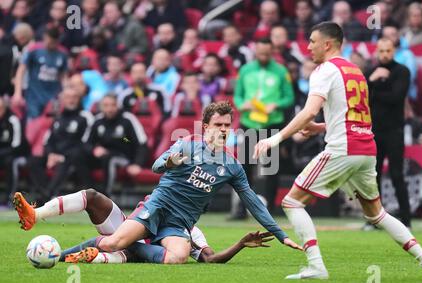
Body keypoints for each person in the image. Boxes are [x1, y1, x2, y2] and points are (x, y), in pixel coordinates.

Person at [253, 22, 422, 280]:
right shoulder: (355, 71)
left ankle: (316, 266)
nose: (308, 46)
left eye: (312, 41)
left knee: (292, 202)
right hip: (366, 149)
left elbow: (309, 110)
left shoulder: (324, 71)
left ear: (327, 44)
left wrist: (275, 139)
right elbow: (352, 116)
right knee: (377, 214)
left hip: (343, 148)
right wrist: (322, 127)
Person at [15, 101, 302, 265]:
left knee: (176, 259)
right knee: (114, 241)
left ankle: (128, 249)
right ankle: (61, 256)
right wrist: (170, 162)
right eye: (219, 125)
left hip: (178, 223)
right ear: (206, 127)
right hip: (157, 207)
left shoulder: (232, 165)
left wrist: (280, 234)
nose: (225, 130)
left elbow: (252, 200)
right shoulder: (187, 144)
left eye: (228, 125)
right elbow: (155, 165)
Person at [12, 189, 274, 264]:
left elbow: (210, 258)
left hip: (130, 250)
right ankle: (35, 214)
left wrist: (240, 245)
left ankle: (65, 256)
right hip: (124, 237)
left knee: (129, 249)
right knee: (93, 197)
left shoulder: (191, 232)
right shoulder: (164, 199)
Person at [233, 38, 294, 219]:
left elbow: (289, 97)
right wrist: (241, 105)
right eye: (260, 54)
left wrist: (276, 104)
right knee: (244, 169)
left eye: (267, 54)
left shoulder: (281, 71)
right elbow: (238, 96)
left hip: (272, 124)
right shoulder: (245, 70)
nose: (264, 57)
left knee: (271, 169)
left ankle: (269, 210)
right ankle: (241, 209)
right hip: (249, 123)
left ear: (272, 51)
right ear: (255, 51)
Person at [365, 38, 412, 229]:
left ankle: (406, 220)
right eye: (382, 51)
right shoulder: (371, 73)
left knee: (396, 175)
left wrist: (375, 90)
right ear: (377, 51)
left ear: (394, 51)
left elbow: (396, 97)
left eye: (388, 50)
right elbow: (362, 98)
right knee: (372, 176)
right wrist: (372, 80)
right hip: (374, 131)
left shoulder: (402, 71)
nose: (385, 54)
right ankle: (374, 220)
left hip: (394, 130)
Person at [27, 87, 93, 202]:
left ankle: (46, 197)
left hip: (75, 157)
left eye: (74, 97)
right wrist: (51, 154)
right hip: (56, 155)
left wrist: (62, 156)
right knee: (33, 161)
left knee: (68, 160)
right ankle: (46, 193)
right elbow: (48, 141)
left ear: (79, 99)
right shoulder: (58, 118)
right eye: (67, 97)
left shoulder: (86, 117)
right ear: (62, 100)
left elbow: (85, 142)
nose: (71, 100)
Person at [86, 93, 148, 196]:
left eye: (113, 105)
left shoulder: (128, 119)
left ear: (118, 105)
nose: (110, 109)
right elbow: (87, 143)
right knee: (77, 155)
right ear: (101, 107)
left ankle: (106, 196)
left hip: (125, 155)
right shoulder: (97, 121)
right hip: (103, 156)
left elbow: (142, 144)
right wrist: (94, 149)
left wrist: (137, 164)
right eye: (106, 105)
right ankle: (87, 192)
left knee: (110, 158)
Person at [12, 26, 68, 119]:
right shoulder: (34, 49)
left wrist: (65, 90)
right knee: (33, 123)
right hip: (34, 95)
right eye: (48, 41)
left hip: (53, 96)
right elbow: (21, 71)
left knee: (50, 123)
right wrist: (17, 93)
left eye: (53, 43)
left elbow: (63, 75)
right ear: (45, 37)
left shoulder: (62, 53)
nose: (50, 45)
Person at [0, 96, 29, 206]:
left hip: (16, 154)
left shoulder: (13, 120)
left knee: (10, 162)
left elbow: (17, 145)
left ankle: (10, 197)